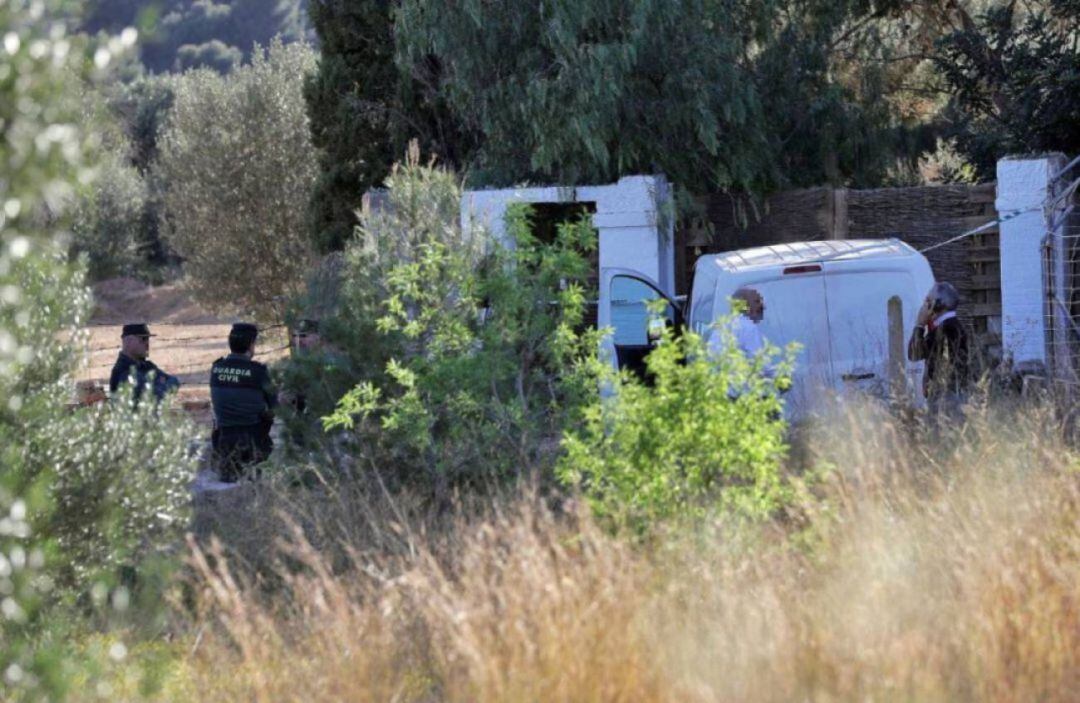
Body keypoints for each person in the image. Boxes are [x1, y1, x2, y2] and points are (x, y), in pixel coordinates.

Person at [210, 323, 278, 482]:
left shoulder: (216, 368)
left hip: (224, 440)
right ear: (250, 344)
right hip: (253, 441)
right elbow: (275, 406)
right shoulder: (258, 371)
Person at [907, 281, 970, 417]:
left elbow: (914, 353)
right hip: (949, 396)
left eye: (928, 300)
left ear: (938, 303)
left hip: (945, 399)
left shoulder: (946, 329)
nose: (925, 305)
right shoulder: (951, 326)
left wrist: (919, 324)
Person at [109, 323, 180, 405]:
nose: (147, 344)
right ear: (129, 341)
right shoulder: (123, 370)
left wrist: (158, 386)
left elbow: (174, 381)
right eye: (143, 339)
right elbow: (155, 396)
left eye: (148, 339)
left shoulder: (146, 365)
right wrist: (161, 383)